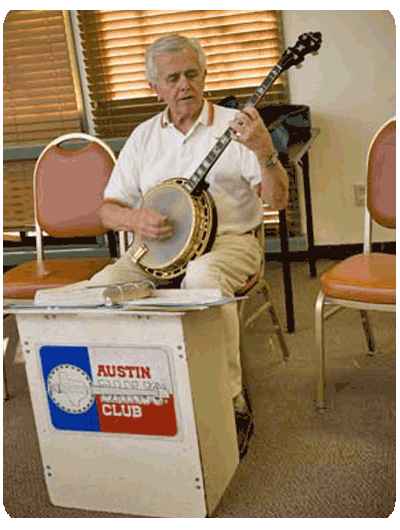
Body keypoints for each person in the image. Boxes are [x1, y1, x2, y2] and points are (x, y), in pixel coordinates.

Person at [91, 34, 289, 454]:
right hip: (156, 251)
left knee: (201, 275)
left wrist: (266, 153)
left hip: (229, 243)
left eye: (191, 74)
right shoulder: (143, 137)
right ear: (155, 88)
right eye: (172, 78)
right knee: (99, 289)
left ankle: (231, 400)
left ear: (204, 76)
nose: (184, 85)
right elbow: (108, 210)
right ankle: (127, 394)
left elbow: (279, 200)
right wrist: (134, 218)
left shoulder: (235, 128)